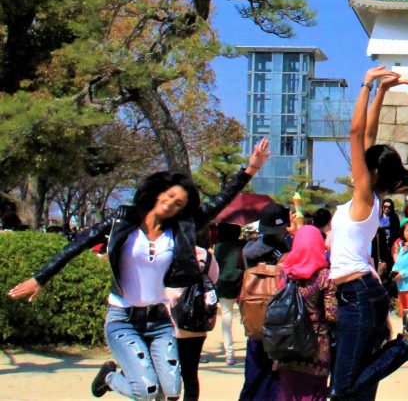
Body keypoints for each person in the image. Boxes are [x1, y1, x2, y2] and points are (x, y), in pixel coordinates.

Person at [7, 139, 270, 401]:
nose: (171, 205)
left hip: (158, 318)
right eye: (169, 197)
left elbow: (218, 202)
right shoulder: (124, 219)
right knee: (147, 391)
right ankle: (110, 378)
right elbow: (78, 244)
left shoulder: (180, 228)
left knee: (171, 392)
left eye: (178, 203)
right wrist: (40, 278)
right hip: (123, 317)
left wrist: (250, 170)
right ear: (158, 192)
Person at [329, 66, 408, 401]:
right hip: (360, 294)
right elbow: (368, 137)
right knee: (360, 384)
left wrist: (366, 83)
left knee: (342, 388)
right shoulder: (369, 197)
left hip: (358, 294)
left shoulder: (364, 196)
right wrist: (383, 92)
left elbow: (357, 134)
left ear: (371, 170)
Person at [240, 202, 293, 401]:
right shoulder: (285, 250)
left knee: (254, 372)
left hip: (255, 316)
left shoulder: (249, 249)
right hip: (280, 318)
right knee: (276, 375)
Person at [277, 224, 337, 401]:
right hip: (316, 349)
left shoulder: (286, 273)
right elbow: (332, 314)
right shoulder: (325, 277)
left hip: (287, 347)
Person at [168, 227, 219, 401]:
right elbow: (213, 281)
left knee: (169, 372)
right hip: (197, 323)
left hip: (172, 321)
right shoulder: (209, 257)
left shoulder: (172, 252)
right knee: (190, 375)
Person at [214, 223, 244, 367]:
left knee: (227, 319)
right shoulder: (242, 246)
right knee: (247, 318)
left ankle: (229, 354)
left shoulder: (219, 247)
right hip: (241, 285)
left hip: (224, 285)